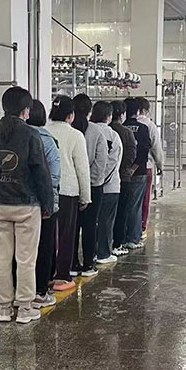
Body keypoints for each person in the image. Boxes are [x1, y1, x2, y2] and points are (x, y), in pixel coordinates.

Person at [0, 87, 54, 324]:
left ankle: (4, 308)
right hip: (27, 205)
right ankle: (25, 308)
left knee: (1, 258)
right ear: (26, 111)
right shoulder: (31, 134)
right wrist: (48, 204)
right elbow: (41, 172)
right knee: (26, 259)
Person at [46, 95, 91, 287]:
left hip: (47, 190)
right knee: (66, 234)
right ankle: (63, 275)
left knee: (48, 234)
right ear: (71, 115)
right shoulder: (75, 135)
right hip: (68, 191)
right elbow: (82, 168)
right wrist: (85, 196)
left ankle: (47, 274)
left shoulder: (43, 131)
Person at [28, 100, 61, 307]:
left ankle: (18, 292)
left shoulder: (9, 137)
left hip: (16, 202)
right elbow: (54, 175)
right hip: (43, 203)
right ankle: (40, 290)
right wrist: (49, 202)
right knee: (44, 246)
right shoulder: (47, 141)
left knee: (20, 251)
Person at [71, 93, 106, 277]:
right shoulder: (96, 132)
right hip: (93, 187)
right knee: (90, 226)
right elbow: (101, 162)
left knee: (72, 227)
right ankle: (88, 264)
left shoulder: (69, 129)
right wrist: (91, 183)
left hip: (70, 188)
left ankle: (72, 264)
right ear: (89, 111)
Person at [91, 101, 123, 265]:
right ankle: (103, 253)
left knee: (91, 221)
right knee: (106, 221)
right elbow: (113, 161)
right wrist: (102, 180)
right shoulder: (113, 135)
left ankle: (90, 253)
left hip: (89, 185)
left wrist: (92, 180)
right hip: (110, 186)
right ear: (109, 117)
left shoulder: (86, 132)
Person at [119, 97, 152, 250]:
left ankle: (122, 237)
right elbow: (144, 150)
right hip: (139, 172)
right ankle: (133, 238)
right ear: (138, 111)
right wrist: (134, 168)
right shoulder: (143, 128)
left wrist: (126, 169)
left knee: (123, 205)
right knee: (135, 206)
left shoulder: (119, 128)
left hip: (121, 173)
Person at [109, 100, 137, 256]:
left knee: (106, 215)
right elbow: (132, 154)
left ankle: (104, 244)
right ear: (122, 114)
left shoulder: (104, 130)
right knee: (121, 212)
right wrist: (123, 168)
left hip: (104, 178)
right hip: (123, 178)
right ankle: (117, 243)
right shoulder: (126, 133)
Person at [136, 97, 163, 233]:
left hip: (126, 168)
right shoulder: (149, 125)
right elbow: (156, 148)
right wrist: (160, 165)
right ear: (145, 110)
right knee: (145, 197)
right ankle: (142, 226)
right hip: (146, 167)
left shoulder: (124, 123)